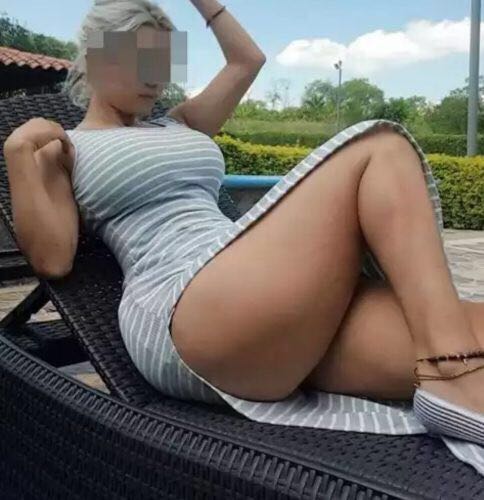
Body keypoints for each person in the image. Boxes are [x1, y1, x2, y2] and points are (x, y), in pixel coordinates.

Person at [3, 0, 484, 476]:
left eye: (162, 62)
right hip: (182, 305)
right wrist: (18, 152)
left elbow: (247, 60)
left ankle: (451, 373)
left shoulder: (181, 123)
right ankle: (451, 374)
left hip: (259, 302)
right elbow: (54, 259)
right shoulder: (67, 147)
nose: (155, 77)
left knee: (468, 336)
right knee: (381, 147)